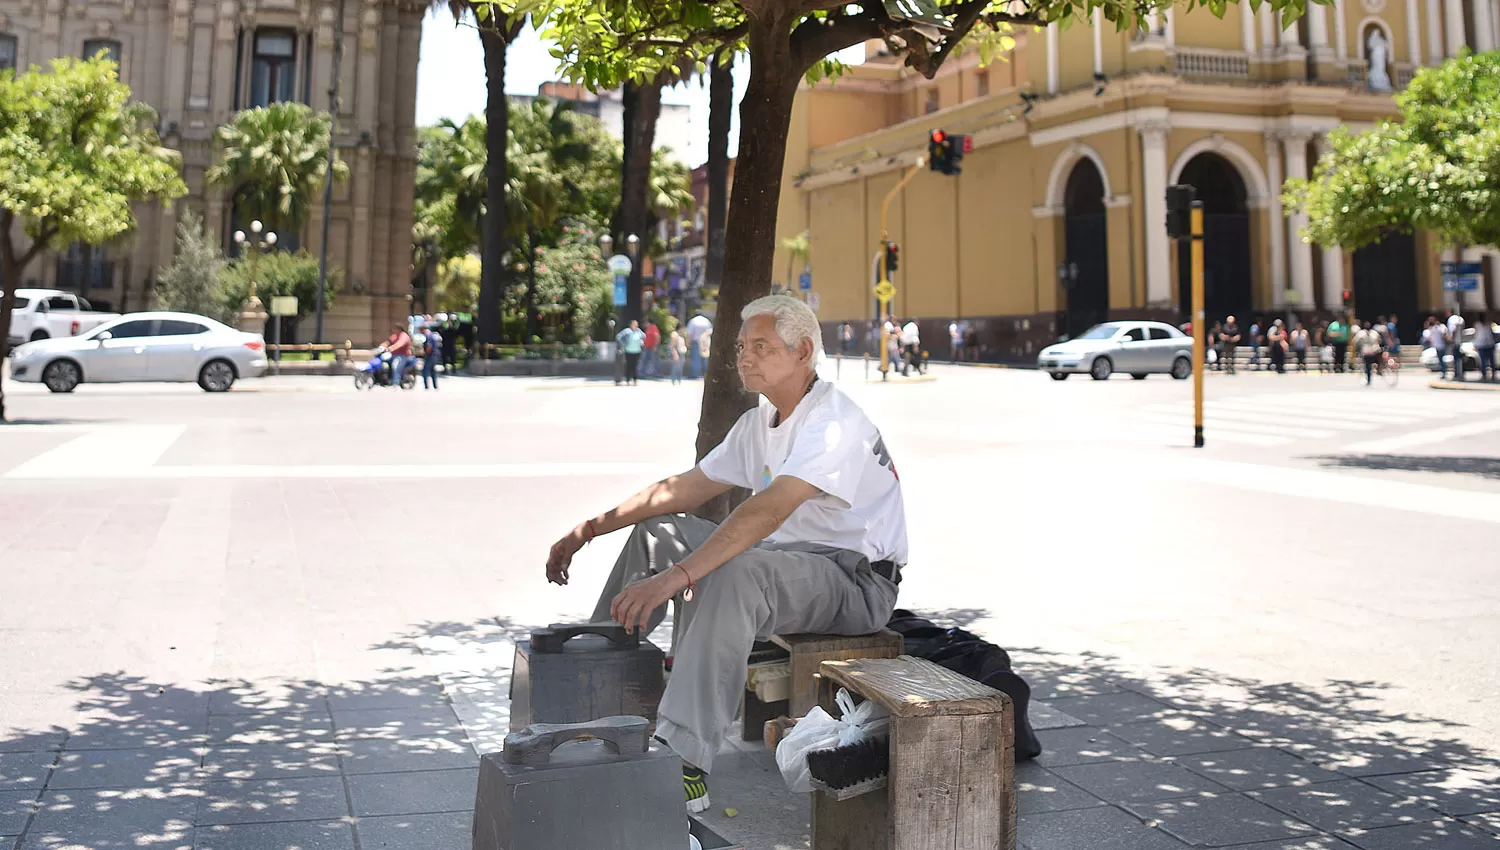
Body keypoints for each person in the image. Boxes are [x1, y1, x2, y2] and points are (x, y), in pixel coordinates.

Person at [544, 295, 906, 814]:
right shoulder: (761, 421)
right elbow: (684, 489)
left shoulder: (833, 423)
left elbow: (769, 510)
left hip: (854, 579)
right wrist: (589, 529)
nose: (745, 357)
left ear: (803, 351)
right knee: (660, 533)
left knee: (738, 571)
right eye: (741, 346)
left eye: (761, 346)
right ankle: (599, 686)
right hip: (786, 561)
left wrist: (677, 577)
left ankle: (687, 763)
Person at [1352, 320, 1385, 385]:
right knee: (1368, 366)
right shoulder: (1362, 333)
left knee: (1369, 365)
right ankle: (1371, 377)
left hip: (1370, 351)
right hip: (1368, 352)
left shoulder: (1370, 333)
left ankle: (1377, 371)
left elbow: (1355, 342)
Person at [617, 319, 645, 386]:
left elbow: (644, 336)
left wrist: (641, 341)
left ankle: (635, 380)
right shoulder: (627, 331)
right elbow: (618, 336)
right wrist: (623, 344)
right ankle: (628, 380)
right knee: (629, 366)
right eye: (633, 324)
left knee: (635, 366)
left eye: (636, 325)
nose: (635, 326)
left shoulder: (638, 331)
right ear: (631, 325)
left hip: (637, 351)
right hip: (628, 351)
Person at [1474, 311, 1496, 382]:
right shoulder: (1489, 324)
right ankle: (1492, 375)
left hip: (1482, 345)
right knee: (1491, 361)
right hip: (1489, 344)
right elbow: (1492, 334)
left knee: (1483, 362)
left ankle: (1484, 376)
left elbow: (1476, 335)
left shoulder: (1477, 325)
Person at [1446, 310, 1466, 381]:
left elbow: (1453, 330)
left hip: (1455, 342)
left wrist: (1451, 339)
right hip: (1461, 341)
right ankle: (1461, 372)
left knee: (1456, 358)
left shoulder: (1451, 319)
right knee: (1460, 358)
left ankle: (1458, 373)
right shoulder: (1460, 319)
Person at [422, 324, 443, 390]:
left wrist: (425, 354)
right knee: (432, 371)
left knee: (425, 370)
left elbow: (429, 346)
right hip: (435, 355)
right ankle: (435, 386)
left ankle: (426, 386)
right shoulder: (432, 335)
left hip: (430, 355)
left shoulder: (428, 336)